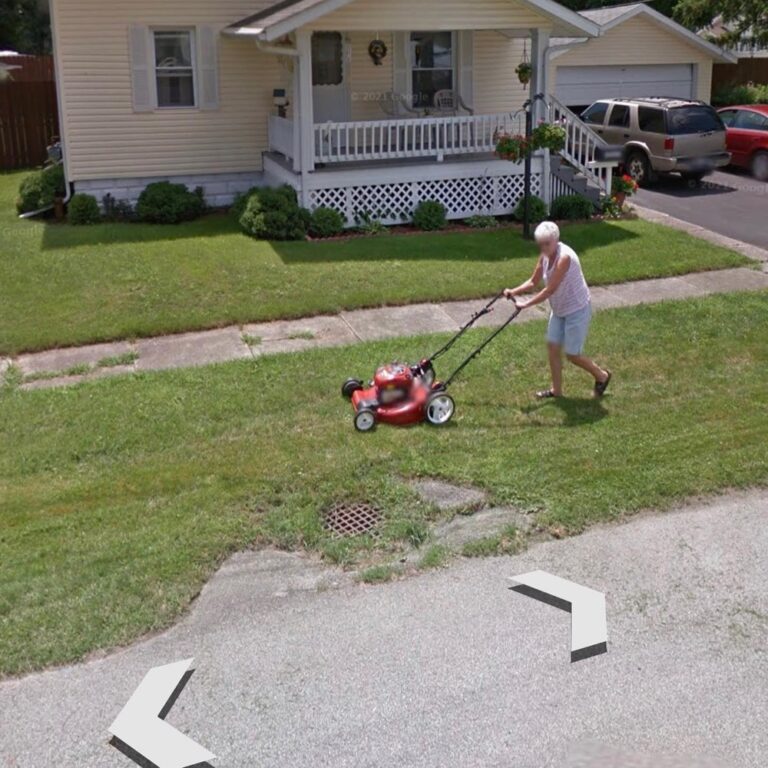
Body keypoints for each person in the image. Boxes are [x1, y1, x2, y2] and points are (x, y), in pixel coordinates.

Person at [503, 221, 611, 399]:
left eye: (547, 243)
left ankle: (602, 375)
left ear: (556, 240)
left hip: (577, 308)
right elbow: (533, 282)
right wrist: (513, 291)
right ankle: (557, 391)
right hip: (559, 309)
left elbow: (549, 289)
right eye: (541, 244)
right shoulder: (545, 256)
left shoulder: (564, 258)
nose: (544, 248)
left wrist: (526, 304)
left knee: (572, 354)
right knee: (552, 347)